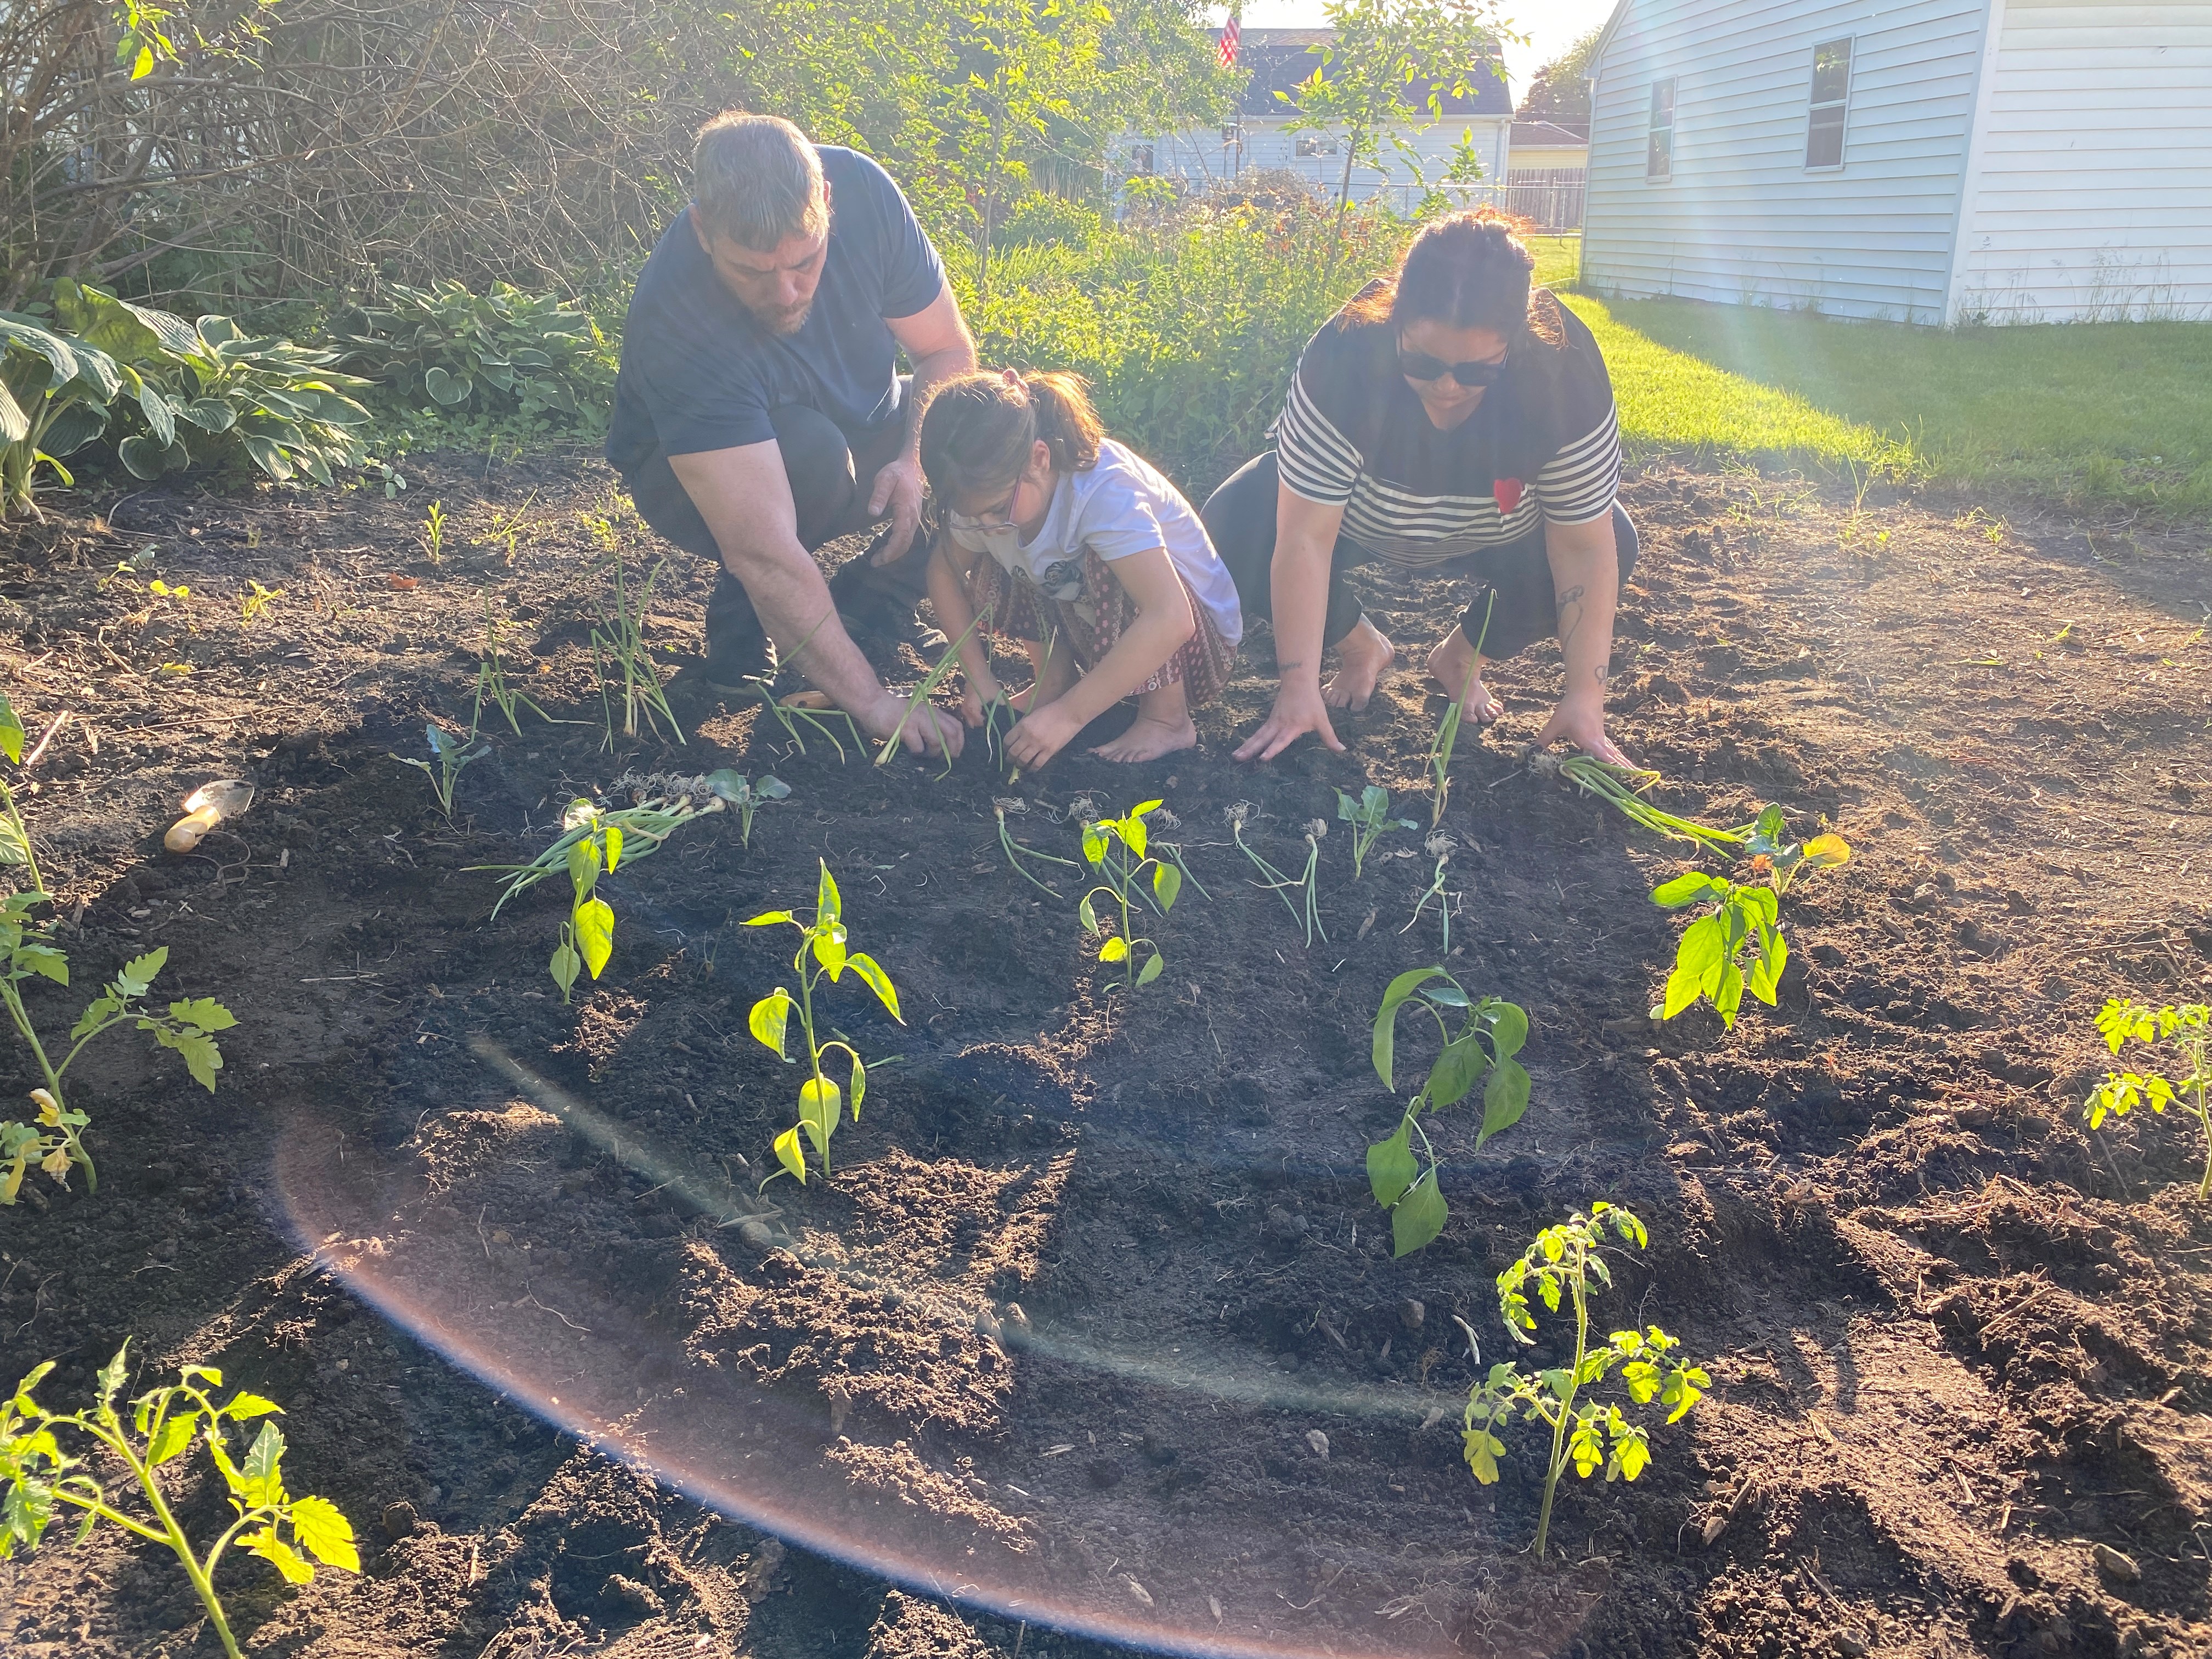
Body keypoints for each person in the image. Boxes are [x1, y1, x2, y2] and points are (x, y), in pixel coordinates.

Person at [1203, 209, 1638, 766]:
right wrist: (1297, 686)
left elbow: (1582, 549)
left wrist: (1585, 699)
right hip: (1358, 521)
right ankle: (1359, 646)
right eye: (1423, 363)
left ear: (1517, 340)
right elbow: (1305, 538)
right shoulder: (1345, 352)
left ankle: (1461, 658)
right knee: (1234, 521)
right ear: (1395, 322)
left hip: (1501, 532)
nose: (1449, 386)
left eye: (1478, 371)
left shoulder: (1565, 375)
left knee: (1615, 539)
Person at [606, 112, 977, 757]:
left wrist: (914, 462)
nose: (785, 292)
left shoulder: (865, 193)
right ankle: (746, 616)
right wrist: (870, 700)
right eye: (752, 272)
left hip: (858, 419)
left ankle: (874, 601)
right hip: (684, 471)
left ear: (828, 202)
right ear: (703, 230)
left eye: (805, 262)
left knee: (977, 423)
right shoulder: (678, 320)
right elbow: (764, 550)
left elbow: (945, 351)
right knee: (807, 456)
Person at [918, 370, 1242, 768]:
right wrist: (979, 679)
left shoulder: (1103, 492)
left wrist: (1069, 718)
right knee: (996, 545)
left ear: (1039, 458)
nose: (985, 523)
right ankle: (1055, 682)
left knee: (1106, 560)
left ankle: (1166, 717)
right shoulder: (988, 494)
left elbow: (1172, 617)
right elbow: (943, 573)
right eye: (973, 514)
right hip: (1097, 627)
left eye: (998, 508)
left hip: (1195, 646)